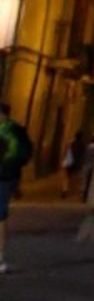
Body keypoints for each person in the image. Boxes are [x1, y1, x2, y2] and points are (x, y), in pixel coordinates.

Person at [0, 107, 29, 274]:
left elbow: (13, 156)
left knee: (0, 215)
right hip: (8, 177)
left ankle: (1, 258)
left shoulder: (10, 131)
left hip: (3, 178)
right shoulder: (16, 130)